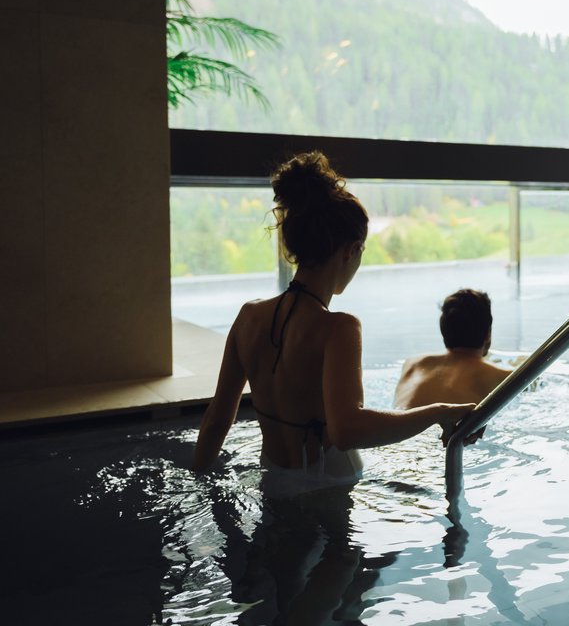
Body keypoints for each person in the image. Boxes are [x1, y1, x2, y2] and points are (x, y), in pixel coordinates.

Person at [192, 151, 473, 483]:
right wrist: (437, 412)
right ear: (351, 250)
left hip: (273, 477)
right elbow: (347, 431)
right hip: (331, 481)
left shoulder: (248, 316)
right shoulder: (338, 328)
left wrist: (199, 478)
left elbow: (216, 421)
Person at [393, 289, 511, 414]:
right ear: (488, 334)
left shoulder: (412, 364)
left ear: (443, 330)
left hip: (400, 425)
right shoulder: (501, 377)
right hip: (447, 427)